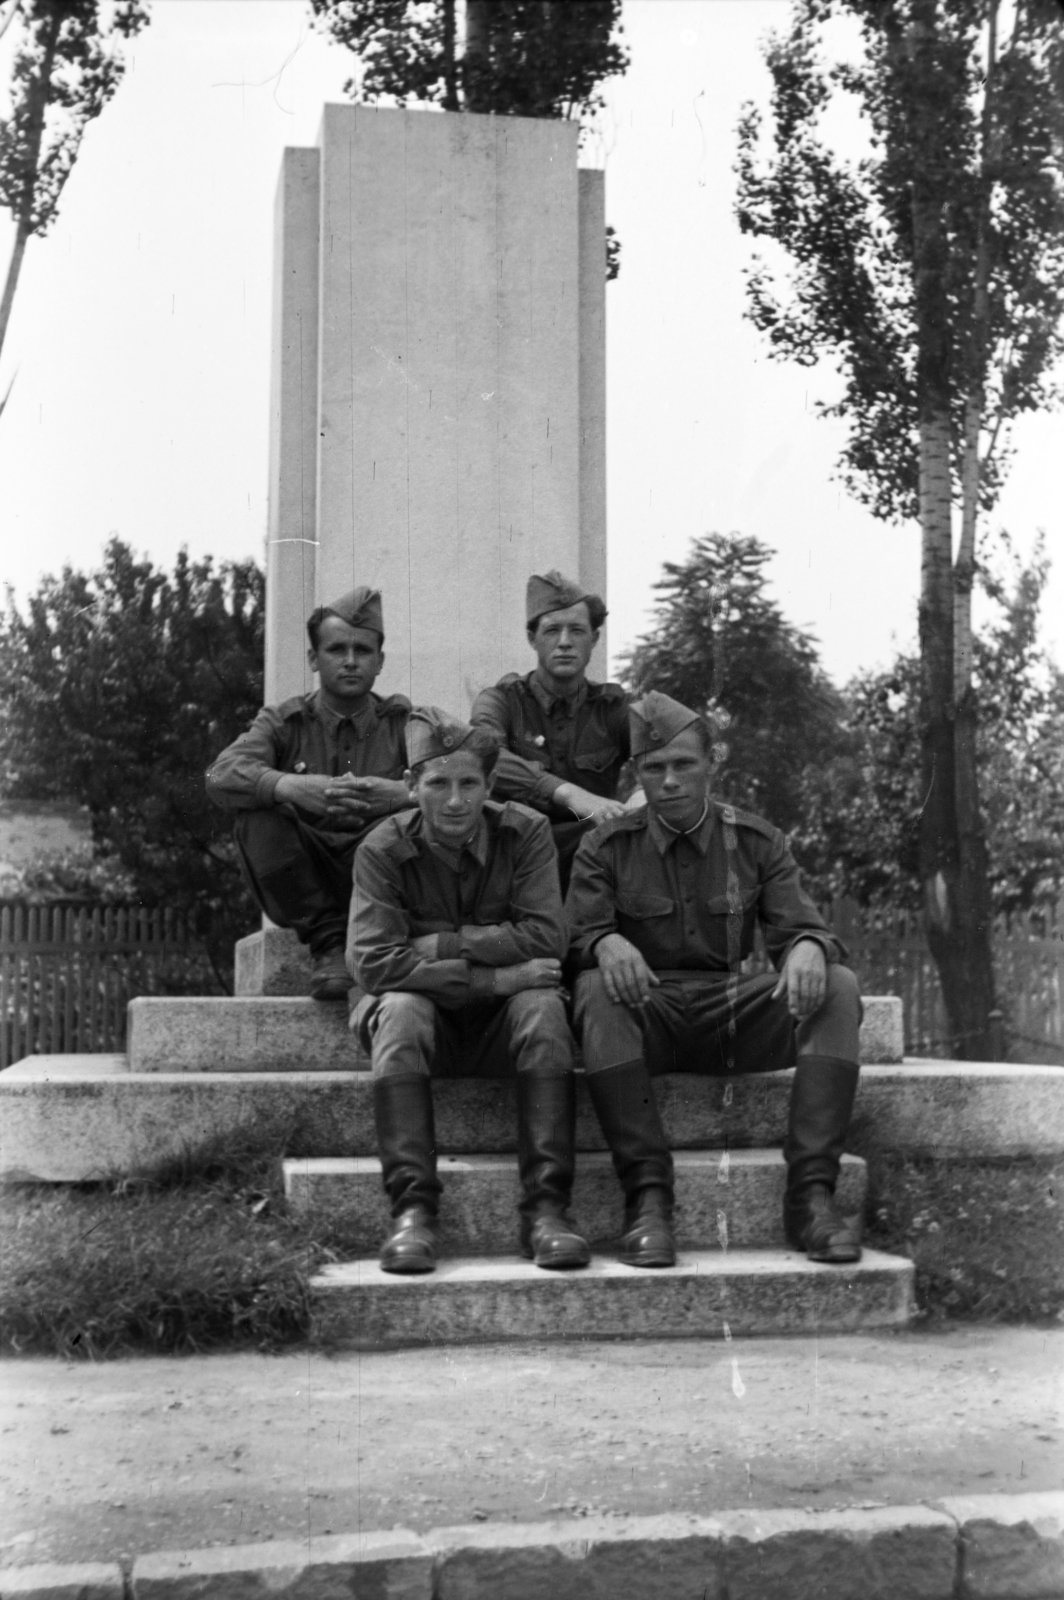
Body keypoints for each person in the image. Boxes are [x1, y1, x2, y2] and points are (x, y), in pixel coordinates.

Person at [566, 689, 863, 1270]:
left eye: (684, 765)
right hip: (646, 1011)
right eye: (654, 768)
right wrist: (604, 941)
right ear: (638, 773)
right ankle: (648, 1201)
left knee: (839, 985)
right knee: (595, 989)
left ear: (712, 765)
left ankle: (811, 1198)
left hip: (729, 1014)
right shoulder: (605, 846)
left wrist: (806, 945)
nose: (670, 781)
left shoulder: (755, 841)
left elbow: (801, 922)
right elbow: (573, 937)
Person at [348, 705, 591, 1276]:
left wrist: (434, 945)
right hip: (421, 1019)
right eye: (438, 783)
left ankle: (547, 1212)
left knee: (543, 1007)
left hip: (495, 1027)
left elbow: (547, 937)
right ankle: (413, 1213)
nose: (455, 801)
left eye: (469, 784)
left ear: (488, 786)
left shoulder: (525, 832)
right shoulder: (381, 848)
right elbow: (374, 963)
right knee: (402, 1010)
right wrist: (494, 974)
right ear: (412, 786)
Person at [206, 587, 413, 1000]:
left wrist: (403, 794)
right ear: (314, 660)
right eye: (337, 649)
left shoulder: (404, 722)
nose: (351, 661)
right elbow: (221, 774)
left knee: (422, 817)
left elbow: (466, 775)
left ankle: (385, 939)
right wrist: (291, 786)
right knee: (257, 816)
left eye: (363, 650)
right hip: (306, 874)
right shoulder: (285, 723)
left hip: (378, 874)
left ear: (380, 661)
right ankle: (330, 947)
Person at [471, 569, 630, 890]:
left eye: (577, 630)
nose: (565, 643)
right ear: (532, 638)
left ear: (595, 638)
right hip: (514, 861)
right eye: (552, 630)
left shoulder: (612, 708)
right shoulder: (502, 701)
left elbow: (663, 750)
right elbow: (484, 756)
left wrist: (641, 801)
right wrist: (571, 794)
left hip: (591, 860)